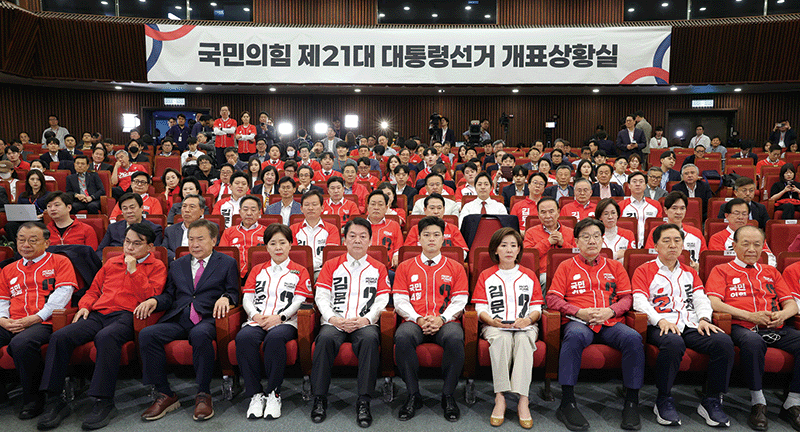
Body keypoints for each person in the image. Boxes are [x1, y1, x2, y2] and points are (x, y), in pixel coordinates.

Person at [37, 223, 167, 430]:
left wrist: (134, 270)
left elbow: (149, 296)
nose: (130, 248)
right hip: (98, 313)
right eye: (127, 242)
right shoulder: (111, 263)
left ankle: (103, 401)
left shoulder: (157, 266)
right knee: (60, 336)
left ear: (150, 247)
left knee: (106, 337)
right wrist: (85, 306)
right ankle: (54, 400)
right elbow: (93, 290)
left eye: (136, 243)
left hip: (126, 316)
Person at [135, 219, 239, 422]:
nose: (195, 244)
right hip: (180, 317)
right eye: (191, 239)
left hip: (208, 318)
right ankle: (165, 394)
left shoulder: (227, 263)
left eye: (200, 239)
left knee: (199, 334)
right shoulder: (178, 264)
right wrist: (154, 301)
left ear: (214, 240)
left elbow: (234, 292)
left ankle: (203, 393)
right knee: (148, 334)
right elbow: (169, 295)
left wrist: (226, 298)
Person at [632, 224, 733, 427]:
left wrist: (704, 318)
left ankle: (712, 399)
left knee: (723, 342)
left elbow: (700, 298)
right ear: (656, 245)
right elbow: (639, 301)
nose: (672, 245)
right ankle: (664, 398)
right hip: (661, 324)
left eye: (677, 241)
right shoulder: (644, 270)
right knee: (673, 343)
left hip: (691, 323)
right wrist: (659, 320)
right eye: (666, 241)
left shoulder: (689, 272)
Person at [547, 218, 643, 431]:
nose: (592, 241)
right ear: (577, 242)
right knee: (574, 337)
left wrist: (611, 310)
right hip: (579, 321)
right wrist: (578, 311)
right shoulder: (566, 266)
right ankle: (567, 401)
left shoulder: (615, 266)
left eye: (596, 236)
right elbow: (552, 298)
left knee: (633, 339)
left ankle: (631, 401)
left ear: (602, 240)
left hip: (610, 321)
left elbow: (627, 298)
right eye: (586, 237)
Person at [706, 225, 800, 431]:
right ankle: (758, 402)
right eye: (746, 244)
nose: (751, 249)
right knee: (753, 342)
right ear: (734, 246)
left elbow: (791, 303)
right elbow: (714, 302)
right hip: (742, 325)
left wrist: (783, 315)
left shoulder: (771, 271)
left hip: (775, 326)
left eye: (757, 245)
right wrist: (750, 316)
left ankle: (793, 401)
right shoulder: (721, 270)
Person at [309, 218, 389, 427]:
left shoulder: (378, 267)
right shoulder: (331, 265)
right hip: (335, 320)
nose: (357, 240)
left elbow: (382, 299)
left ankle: (364, 401)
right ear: (344, 240)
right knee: (324, 339)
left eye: (363, 236)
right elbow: (321, 297)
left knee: (371, 340)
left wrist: (367, 319)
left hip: (364, 322)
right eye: (352, 236)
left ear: (370, 241)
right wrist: (332, 318)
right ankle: (319, 398)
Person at [392, 216, 468, 422]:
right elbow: (399, 300)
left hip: (445, 321)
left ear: (444, 239)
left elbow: (460, 300)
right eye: (426, 235)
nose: (431, 239)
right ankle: (413, 394)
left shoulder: (455, 267)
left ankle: (448, 395)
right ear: (419, 239)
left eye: (436, 235)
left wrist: (442, 319)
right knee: (403, 337)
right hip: (415, 320)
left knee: (454, 338)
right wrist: (417, 318)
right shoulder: (406, 266)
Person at [0, 222, 77, 419]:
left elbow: (63, 294)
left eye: (32, 240)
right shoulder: (8, 269)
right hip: (12, 320)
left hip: (45, 321)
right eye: (21, 240)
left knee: (22, 344)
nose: (26, 244)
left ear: (46, 242)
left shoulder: (60, 261)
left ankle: (34, 398)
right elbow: (2, 299)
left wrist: (35, 318)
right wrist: (2, 320)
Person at [237, 223, 312, 420]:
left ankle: (273, 393)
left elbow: (299, 300)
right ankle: (255, 394)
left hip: (286, 322)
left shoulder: (299, 270)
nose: (278, 247)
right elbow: (247, 297)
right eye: (273, 243)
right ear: (266, 247)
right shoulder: (258, 270)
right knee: (244, 337)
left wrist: (280, 317)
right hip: (258, 319)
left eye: (282, 243)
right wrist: (254, 316)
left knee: (275, 338)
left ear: (290, 245)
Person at [472, 228, 543, 429]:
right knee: (502, 339)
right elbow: (480, 308)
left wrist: (528, 320)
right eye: (503, 245)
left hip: (525, 326)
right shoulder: (487, 275)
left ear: (519, 249)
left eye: (513, 245)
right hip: (495, 326)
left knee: (523, 341)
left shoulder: (528, 275)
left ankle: (523, 399)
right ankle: (500, 396)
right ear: (495, 250)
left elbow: (537, 307)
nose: (509, 250)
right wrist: (492, 321)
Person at [523, 197, 576, 287]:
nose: (547, 216)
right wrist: (547, 242)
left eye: (551, 212)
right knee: (546, 279)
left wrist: (563, 244)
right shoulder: (531, 232)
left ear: (558, 213)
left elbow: (578, 254)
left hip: (569, 271)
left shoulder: (571, 232)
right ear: (538, 215)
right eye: (543, 212)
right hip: (542, 273)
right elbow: (528, 257)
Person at [644, 191, 706, 266]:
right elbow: (650, 258)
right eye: (674, 208)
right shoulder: (656, 231)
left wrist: (698, 267)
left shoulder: (696, 233)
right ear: (665, 210)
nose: (678, 212)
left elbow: (704, 260)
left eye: (682, 208)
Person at [709, 198, 777, 266]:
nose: (741, 217)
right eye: (736, 213)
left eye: (744, 214)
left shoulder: (757, 236)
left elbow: (770, 259)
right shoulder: (717, 238)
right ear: (727, 216)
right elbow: (719, 262)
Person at [97, 193, 164, 257]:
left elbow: (155, 253)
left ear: (141, 208)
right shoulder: (113, 228)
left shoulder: (154, 229)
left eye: (132, 207)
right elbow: (100, 251)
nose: (129, 211)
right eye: (125, 208)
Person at [290, 191, 341, 276]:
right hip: (297, 270)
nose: (310, 208)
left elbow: (330, 255)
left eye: (314, 204)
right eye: (306, 205)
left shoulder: (332, 229)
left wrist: (310, 266)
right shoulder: (293, 229)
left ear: (322, 208)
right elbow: (293, 254)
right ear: (301, 209)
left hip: (323, 269)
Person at [404, 194, 469, 258]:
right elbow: (408, 252)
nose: (436, 211)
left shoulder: (453, 229)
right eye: (432, 208)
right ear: (425, 210)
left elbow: (462, 252)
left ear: (443, 210)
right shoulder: (415, 229)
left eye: (439, 208)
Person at [220, 195, 266, 275]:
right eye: (245, 209)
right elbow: (222, 256)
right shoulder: (228, 232)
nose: (249, 213)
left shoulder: (267, 232)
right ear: (239, 211)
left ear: (259, 213)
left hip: (261, 273)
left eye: (253, 210)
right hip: (233, 273)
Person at [620, 172, 663, 248]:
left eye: (641, 181)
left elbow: (659, 227)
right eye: (634, 181)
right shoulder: (621, 205)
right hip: (627, 245)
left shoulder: (655, 205)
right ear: (629, 186)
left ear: (645, 185)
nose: (637, 184)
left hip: (651, 245)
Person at [162, 194, 208, 261]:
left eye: (192, 207)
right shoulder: (170, 230)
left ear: (201, 211)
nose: (186, 210)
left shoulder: (210, 229)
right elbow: (165, 249)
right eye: (184, 206)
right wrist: (177, 257)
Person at [365, 190, 404, 267]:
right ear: (367, 207)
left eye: (380, 204)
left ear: (386, 208)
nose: (376, 208)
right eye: (373, 204)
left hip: (388, 268)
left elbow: (398, 248)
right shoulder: (358, 226)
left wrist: (396, 256)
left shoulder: (394, 225)